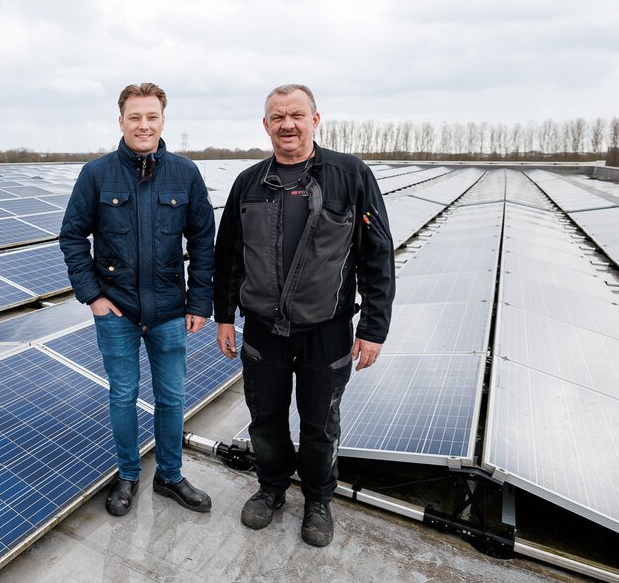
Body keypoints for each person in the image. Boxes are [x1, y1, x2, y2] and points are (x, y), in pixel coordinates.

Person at [213, 84, 394, 546]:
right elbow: (229, 255)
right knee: (265, 417)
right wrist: (223, 316)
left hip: (327, 329)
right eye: (277, 117)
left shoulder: (350, 175)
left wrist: (373, 328)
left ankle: (317, 499)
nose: (287, 124)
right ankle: (271, 487)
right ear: (265, 125)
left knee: (319, 422)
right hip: (262, 330)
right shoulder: (249, 183)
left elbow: (377, 256)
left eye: (296, 115)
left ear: (316, 119)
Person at [60, 82, 216, 517]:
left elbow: (204, 240)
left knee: (171, 397)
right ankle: (128, 474)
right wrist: (91, 295)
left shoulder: (185, 174)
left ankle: (170, 475)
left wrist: (199, 302)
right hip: (117, 310)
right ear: (121, 120)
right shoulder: (96, 174)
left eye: (151, 117)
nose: (143, 125)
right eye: (135, 117)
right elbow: (72, 236)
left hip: (170, 310)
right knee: (123, 394)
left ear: (163, 120)